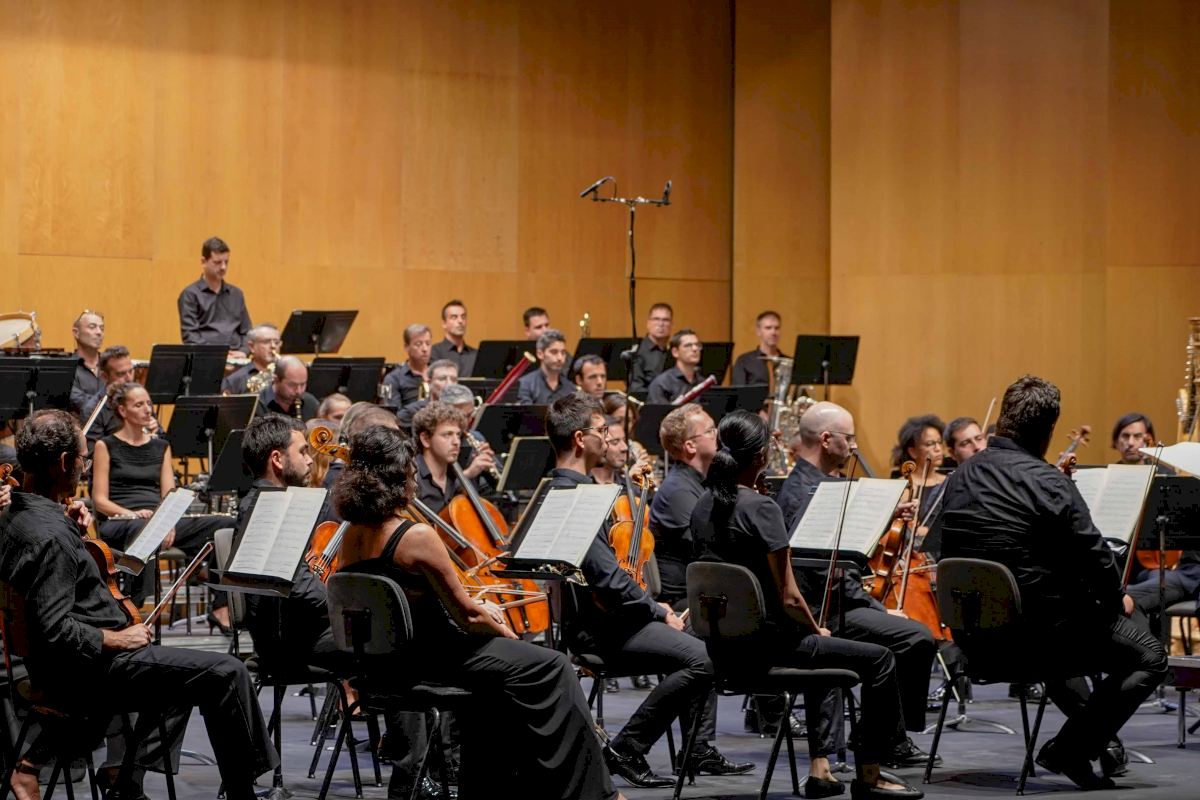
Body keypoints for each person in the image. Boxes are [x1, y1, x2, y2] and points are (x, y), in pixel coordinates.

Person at [332, 423, 624, 800]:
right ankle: (595, 793)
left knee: (497, 688)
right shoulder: (415, 536)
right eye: (411, 468)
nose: (415, 475)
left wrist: (479, 613)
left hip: (385, 666)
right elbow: (467, 617)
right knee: (551, 665)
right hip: (433, 662)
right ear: (397, 475)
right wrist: (505, 631)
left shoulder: (350, 536)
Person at [0, 410, 276, 800]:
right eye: (83, 460)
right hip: (87, 672)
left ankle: (124, 776)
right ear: (64, 463)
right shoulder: (50, 537)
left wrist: (74, 529)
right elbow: (54, 628)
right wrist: (116, 639)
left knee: (184, 674)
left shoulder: (14, 516)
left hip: (58, 666)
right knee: (228, 672)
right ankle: (241, 791)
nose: (85, 468)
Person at [938, 375, 1168, 789]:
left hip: (973, 640)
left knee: (1065, 617)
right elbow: (1097, 559)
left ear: (1004, 419)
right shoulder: (1048, 482)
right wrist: (1116, 599)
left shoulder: (960, 476)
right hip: (1035, 644)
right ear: (1048, 431)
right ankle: (1071, 749)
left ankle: (1097, 743)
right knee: (1149, 655)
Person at [691, 410, 923, 800]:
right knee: (880, 659)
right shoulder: (761, 508)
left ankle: (823, 768)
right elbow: (789, 596)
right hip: (771, 648)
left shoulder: (702, 504)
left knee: (834, 655)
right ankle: (870, 775)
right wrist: (817, 629)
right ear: (761, 456)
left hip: (721, 648)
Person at [547, 394, 748, 787]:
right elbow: (609, 581)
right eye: (602, 431)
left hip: (609, 618)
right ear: (579, 439)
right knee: (703, 657)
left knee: (704, 640)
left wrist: (655, 610)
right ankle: (629, 747)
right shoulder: (574, 497)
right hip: (603, 629)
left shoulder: (566, 489)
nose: (609, 438)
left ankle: (695, 748)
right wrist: (659, 611)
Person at [776, 402, 937, 769]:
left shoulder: (820, 483)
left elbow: (845, 551)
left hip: (837, 600)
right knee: (915, 638)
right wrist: (880, 608)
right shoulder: (808, 493)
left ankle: (878, 734)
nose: (854, 446)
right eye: (849, 438)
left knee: (909, 634)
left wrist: (886, 518)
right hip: (821, 611)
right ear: (826, 439)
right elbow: (821, 573)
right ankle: (885, 738)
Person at [90, 381, 231, 621]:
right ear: (122, 410)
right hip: (121, 520)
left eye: (148, 403)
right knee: (144, 530)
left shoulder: (161, 446)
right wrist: (135, 514)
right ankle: (133, 606)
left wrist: (166, 521)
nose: (148, 409)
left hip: (157, 520)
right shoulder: (106, 445)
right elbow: (100, 500)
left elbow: (169, 495)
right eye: (139, 405)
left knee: (224, 525)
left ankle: (220, 604)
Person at [238, 414, 343, 671]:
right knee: (391, 637)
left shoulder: (273, 500)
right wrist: (346, 603)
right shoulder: (268, 506)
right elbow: (298, 585)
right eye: (303, 452)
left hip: (300, 627)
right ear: (277, 459)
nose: (310, 460)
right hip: (291, 641)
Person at [649, 403, 717, 610]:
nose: (717, 434)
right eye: (710, 430)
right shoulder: (678, 491)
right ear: (690, 446)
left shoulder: (701, 481)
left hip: (701, 591)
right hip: (683, 602)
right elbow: (709, 548)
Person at [411, 402, 496, 514]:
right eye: (447, 435)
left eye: (458, 435)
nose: (456, 442)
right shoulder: (411, 478)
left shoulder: (458, 475)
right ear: (426, 439)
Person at [177, 236, 252, 354]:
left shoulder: (236, 294)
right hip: (207, 358)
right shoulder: (190, 294)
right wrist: (219, 355)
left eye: (226, 262)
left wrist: (243, 352)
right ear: (203, 262)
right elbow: (190, 336)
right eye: (217, 262)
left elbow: (247, 332)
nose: (223, 267)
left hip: (237, 357)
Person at [890, 415, 947, 530]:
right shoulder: (902, 486)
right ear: (913, 452)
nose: (938, 448)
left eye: (939, 442)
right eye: (930, 444)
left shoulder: (948, 481)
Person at [397, 359, 459, 431]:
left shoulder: (461, 410)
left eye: (453, 379)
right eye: (442, 379)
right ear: (429, 383)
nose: (449, 384)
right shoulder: (411, 412)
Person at [646, 329, 704, 405]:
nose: (695, 349)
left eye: (697, 345)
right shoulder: (661, 383)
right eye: (688, 345)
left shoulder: (703, 382)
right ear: (675, 352)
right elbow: (658, 412)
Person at [516, 329, 574, 405]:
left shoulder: (571, 388)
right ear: (540, 354)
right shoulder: (525, 384)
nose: (560, 358)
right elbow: (526, 412)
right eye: (554, 352)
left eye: (563, 353)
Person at [732, 310, 788, 387]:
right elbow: (738, 391)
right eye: (768, 328)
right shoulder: (744, 361)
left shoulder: (788, 363)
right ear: (758, 331)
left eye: (777, 328)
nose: (773, 332)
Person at [382, 324, 433, 408]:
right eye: (418, 344)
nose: (425, 349)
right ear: (406, 347)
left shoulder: (438, 372)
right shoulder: (393, 379)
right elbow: (392, 413)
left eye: (428, 344)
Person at [222, 324, 280, 395]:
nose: (273, 346)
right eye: (266, 342)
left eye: (276, 342)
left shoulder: (285, 374)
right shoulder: (235, 380)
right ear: (252, 347)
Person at [629, 303, 673, 393]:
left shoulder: (674, 353)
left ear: (672, 325)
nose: (661, 324)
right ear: (648, 323)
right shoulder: (637, 352)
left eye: (666, 320)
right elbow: (636, 388)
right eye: (656, 319)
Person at [257, 356, 319, 421]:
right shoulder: (258, 405)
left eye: (303, 384)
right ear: (276, 380)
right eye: (292, 385)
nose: (299, 391)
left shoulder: (310, 403)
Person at [68, 311, 106, 416]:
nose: (99, 332)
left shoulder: (110, 365)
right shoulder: (68, 368)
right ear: (76, 333)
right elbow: (82, 404)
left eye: (102, 328)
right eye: (92, 327)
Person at [430, 300, 476, 377]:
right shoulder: (433, 353)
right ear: (444, 323)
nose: (460, 321)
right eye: (454, 317)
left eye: (463, 317)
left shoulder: (476, 355)